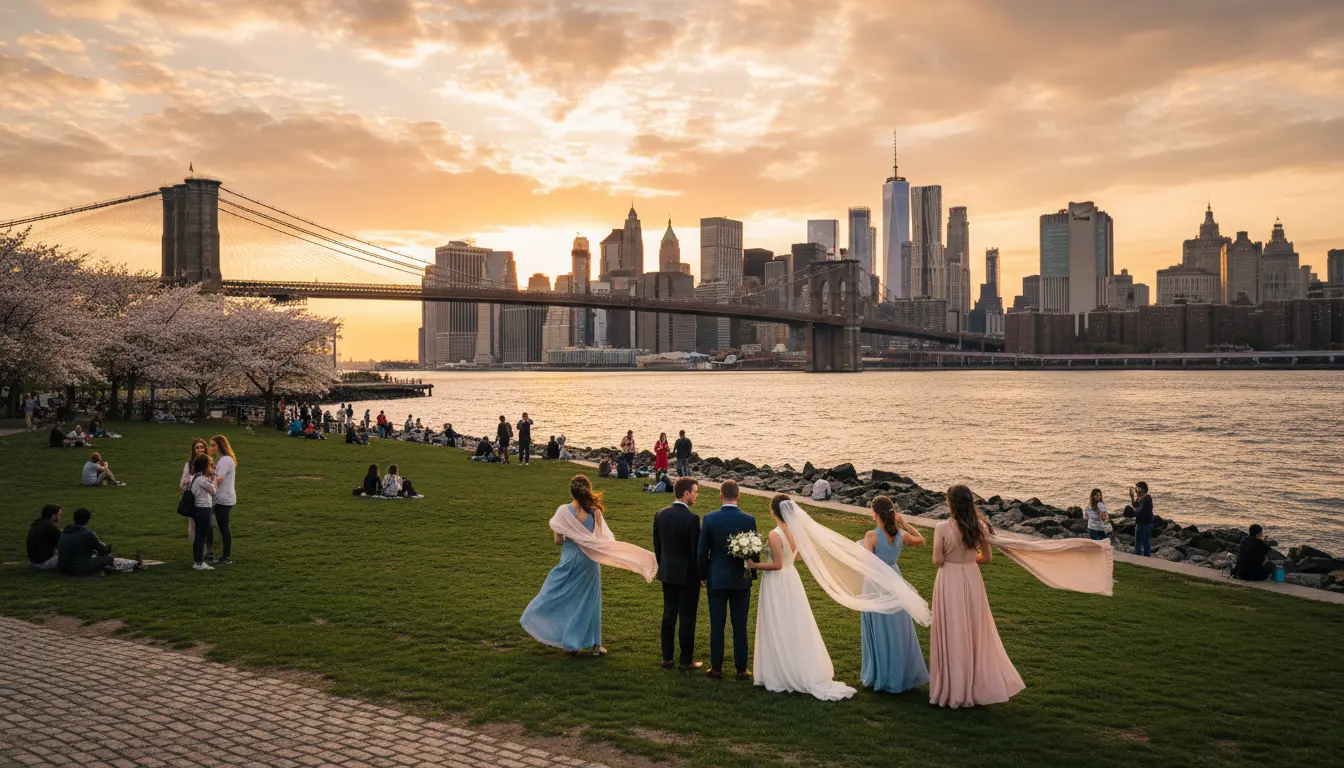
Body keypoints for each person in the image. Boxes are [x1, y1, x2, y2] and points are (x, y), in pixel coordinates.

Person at [743, 494, 856, 699]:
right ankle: (794, 664)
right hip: (791, 578)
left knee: (777, 623)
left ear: (773, 511)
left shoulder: (774, 534)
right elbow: (797, 556)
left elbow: (776, 565)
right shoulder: (795, 531)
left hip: (777, 582)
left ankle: (779, 671)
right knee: (793, 622)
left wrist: (754, 565)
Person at [929, 485, 1024, 708]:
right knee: (972, 630)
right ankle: (972, 685)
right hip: (972, 579)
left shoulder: (942, 527)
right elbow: (987, 558)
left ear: (950, 503)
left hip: (949, 580)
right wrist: (968, 559)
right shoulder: (979, 526)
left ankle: (952, 688)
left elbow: (937, 560)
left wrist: (953, 559)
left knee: (952, 630)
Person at [520, 476, 615, 655]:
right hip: (589, 561)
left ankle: (569, 641)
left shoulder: (563, 511)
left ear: (572, 491)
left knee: (559, 594)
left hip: (570, 559)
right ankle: (595, 645)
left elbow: (558, 540)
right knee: (590, 600)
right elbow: (601, 539)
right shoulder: (595, 512)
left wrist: (572, 535)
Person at [860, 496, 930, 694]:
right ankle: (900, 673)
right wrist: (904, 522)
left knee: (879, 627)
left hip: (876, 584)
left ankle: (880, 676)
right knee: (897, 628)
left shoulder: (871, 536)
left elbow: (868, 564)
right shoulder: (900, 534)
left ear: (874, 513)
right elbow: (922, 540)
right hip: (895, 581)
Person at [697, 480, 757, 680]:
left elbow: (702, 551)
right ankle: (742, 669)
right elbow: (754, 550)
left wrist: (703, 575)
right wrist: (751, 575)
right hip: (741, 579)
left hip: (717, 579)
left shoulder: (710, 519)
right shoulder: (749, 519)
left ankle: (716, 668)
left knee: (717, 624)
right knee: (740, 625)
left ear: (720, 495)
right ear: (738, 495)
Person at [653, 478, 703, 671]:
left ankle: (667, 657)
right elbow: (695, 551)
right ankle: (685, 660)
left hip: (667, 572)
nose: (696, 495)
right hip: (687, 575)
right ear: (686, 493)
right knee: (687, 617)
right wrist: (700, 574)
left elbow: (657, 545)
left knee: (669, 614)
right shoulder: (692, 519)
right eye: (695, 491)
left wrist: (663, 563)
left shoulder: (661, 514)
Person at [58, 508, 141, 574]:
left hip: (62, 567)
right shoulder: (87, 534)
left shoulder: (65, 531)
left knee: (95, 555)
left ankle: (125, 565)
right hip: (78, 568)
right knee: (109, 558)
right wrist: (107, 548)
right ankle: (134, 564)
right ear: (87, 520)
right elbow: (103, 550)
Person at [180, 439, 215, 562]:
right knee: (193, 527)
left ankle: (209, 552)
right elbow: (182, 484)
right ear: (193, 450)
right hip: (194, 499)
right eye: (197, 448)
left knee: (208, 526)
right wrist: (194, 481)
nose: (200, 450)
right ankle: (198, 554)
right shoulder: (189, 464)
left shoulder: (209, 462)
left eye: (202, 447)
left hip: (208, 499)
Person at [186, 454, 218, 571]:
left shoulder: (196, 478)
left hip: (199, 509)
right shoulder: (201, 480)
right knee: (200, 536)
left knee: (199, 536)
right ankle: (198, 562)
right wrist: (214, 478)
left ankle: (198, 561)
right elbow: (213, 490)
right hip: (203, 509)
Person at [209, 436, 237, 566]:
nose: (211, 448)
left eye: (213, 445)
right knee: (222, 527)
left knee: (224, 528)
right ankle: (224, 555)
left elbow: (219, 479)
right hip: (223, 498)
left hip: (224, 499)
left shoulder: (225, 460)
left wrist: (209, 488)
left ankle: (226, 557)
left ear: (220, 446)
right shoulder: (223, 460)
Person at [27, 504, 64, 569]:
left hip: (34, 561)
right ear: (53, 515)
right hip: (45, 563)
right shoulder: (51, 527)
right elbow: (65, 541)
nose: (60, 516)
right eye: (59, 514)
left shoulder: (37, 524)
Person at [1128, 481, 1154, 557]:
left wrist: (1132, 512)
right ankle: (1145, 557)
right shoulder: (1140, 497)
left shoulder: (1146, 498)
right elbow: (1135, 506)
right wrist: (1132, 497)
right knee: (1145, 541)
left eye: (1139, 488)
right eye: (1136, 487)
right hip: (1146, 521)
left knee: (1139, 541)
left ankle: (1138, 557)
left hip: (1144, 522)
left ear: (1143, 489)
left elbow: (1139, 509)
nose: (1137, 489)